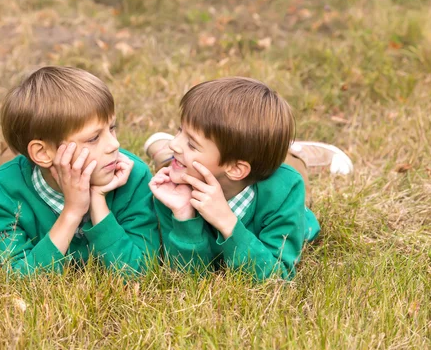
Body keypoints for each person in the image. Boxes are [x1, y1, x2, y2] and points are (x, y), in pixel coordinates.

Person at [146, 77, 353, 281]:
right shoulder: (173, 191)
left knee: (291, 167)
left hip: (279, 182)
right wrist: (184, 216)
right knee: (171, 160)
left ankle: (297, 151)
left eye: (191, 144)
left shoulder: (285, 190)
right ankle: (162, 151)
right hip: (195, 168)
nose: (175, 143)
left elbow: (276, 276)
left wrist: (227, 222)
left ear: (235, 168)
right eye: (179, 131)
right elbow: (187, 277)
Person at [0, 66, 160, 276]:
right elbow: (17, 276)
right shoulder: (3, 191)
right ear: (43, 153)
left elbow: (140, 270)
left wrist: (97, 201)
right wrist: (72, 211)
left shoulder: (133, 176)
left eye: (112, 128)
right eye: (94, 138)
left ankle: (162, 150)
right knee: (10, 161)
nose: (114, 144)